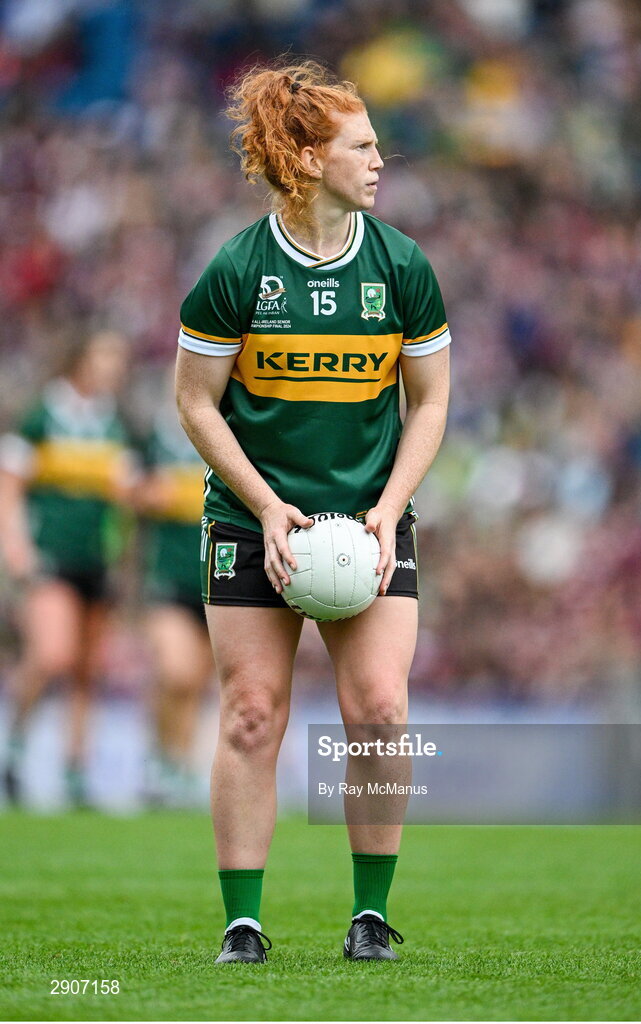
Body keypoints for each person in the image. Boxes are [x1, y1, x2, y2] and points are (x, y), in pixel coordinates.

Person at [175, 60, 450, 963]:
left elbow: (432, 402)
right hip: (254, 526)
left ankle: (371, 915)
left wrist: (389, 508)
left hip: (369, 525)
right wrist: (264, 505)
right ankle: (242, 924)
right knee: (253, 713)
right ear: (304, 155)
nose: (381, 159)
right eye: (362, 145)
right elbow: (195, 400)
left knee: (379, 711)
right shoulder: (235, 270)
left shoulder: (402, 264)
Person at [0, 330, 132, 807]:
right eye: (105, 355)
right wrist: (16, 548)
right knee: (52, 654)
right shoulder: (43, 414)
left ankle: (76, 770)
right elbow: (9, 485)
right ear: (80, 358)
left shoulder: (114, 422)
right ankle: (13, 748)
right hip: (50, 557)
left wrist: (122, 556)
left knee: (86, 671)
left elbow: (123, 501)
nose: (114, 366)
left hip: (96, 561)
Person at [134, 373, 214, 807]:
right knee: (175, 671)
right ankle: (161, 757)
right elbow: (129, 489)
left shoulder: (227, 434)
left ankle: (177, 764)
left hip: (214, 578)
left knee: (195, 683)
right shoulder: (155, 440)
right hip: (167, 575)